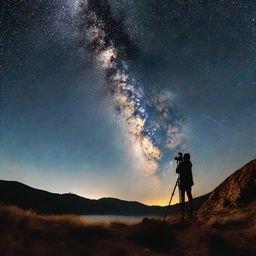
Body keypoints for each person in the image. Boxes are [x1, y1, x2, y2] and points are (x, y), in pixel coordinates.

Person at [176, 153, 194, 220]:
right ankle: (190, 213)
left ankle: (184, 214)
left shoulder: (185, 164)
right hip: (188, 183)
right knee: (189, 197)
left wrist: (180, 162)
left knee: (183, 198)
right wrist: (181, 161)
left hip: (183, 183)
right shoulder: (189, 163)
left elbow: (177, 171)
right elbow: (178, 171)